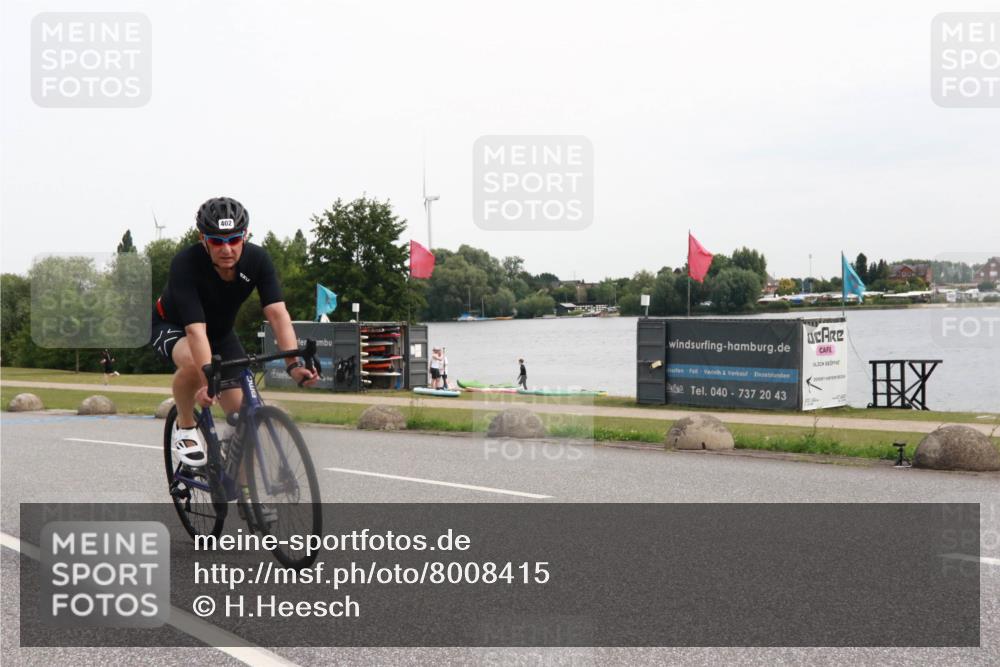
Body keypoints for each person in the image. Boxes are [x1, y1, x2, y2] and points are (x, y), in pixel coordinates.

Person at [150, 196, 317, 474]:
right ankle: (186, 426)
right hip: (173, 327)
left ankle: (242, 495)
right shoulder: (186, 263)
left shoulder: (258, 260)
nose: (226, 249)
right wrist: (208, 384)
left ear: (245, 235)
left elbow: (277, 314)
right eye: (216, 241)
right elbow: (195, 330)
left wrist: (294, 365)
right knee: (194, 363)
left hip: (221, 334)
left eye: (234, 239)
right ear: (203, 239)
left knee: (243, 418)